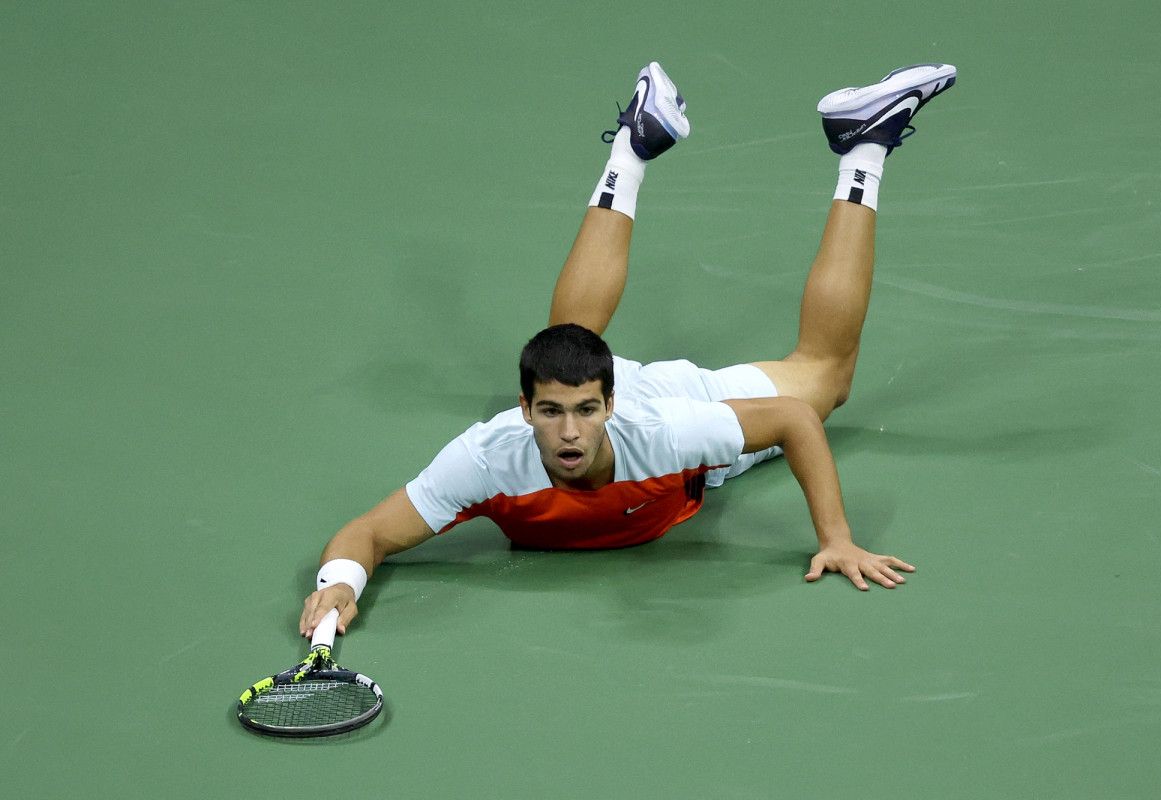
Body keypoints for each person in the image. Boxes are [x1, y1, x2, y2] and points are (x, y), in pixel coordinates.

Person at [299, 61, 957, 638]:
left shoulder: (670, 431)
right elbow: (369, 533)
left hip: (675, 407)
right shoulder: (484, 459)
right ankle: (634, 144)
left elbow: (793, 419)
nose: (569, 432)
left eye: (586, 409)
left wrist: (836, 540)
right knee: (566, 343)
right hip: (602, 405)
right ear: (523, 410)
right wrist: (340, 582)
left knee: (827, 378)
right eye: (552, 411)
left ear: (610, 400)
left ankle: (863, 147)